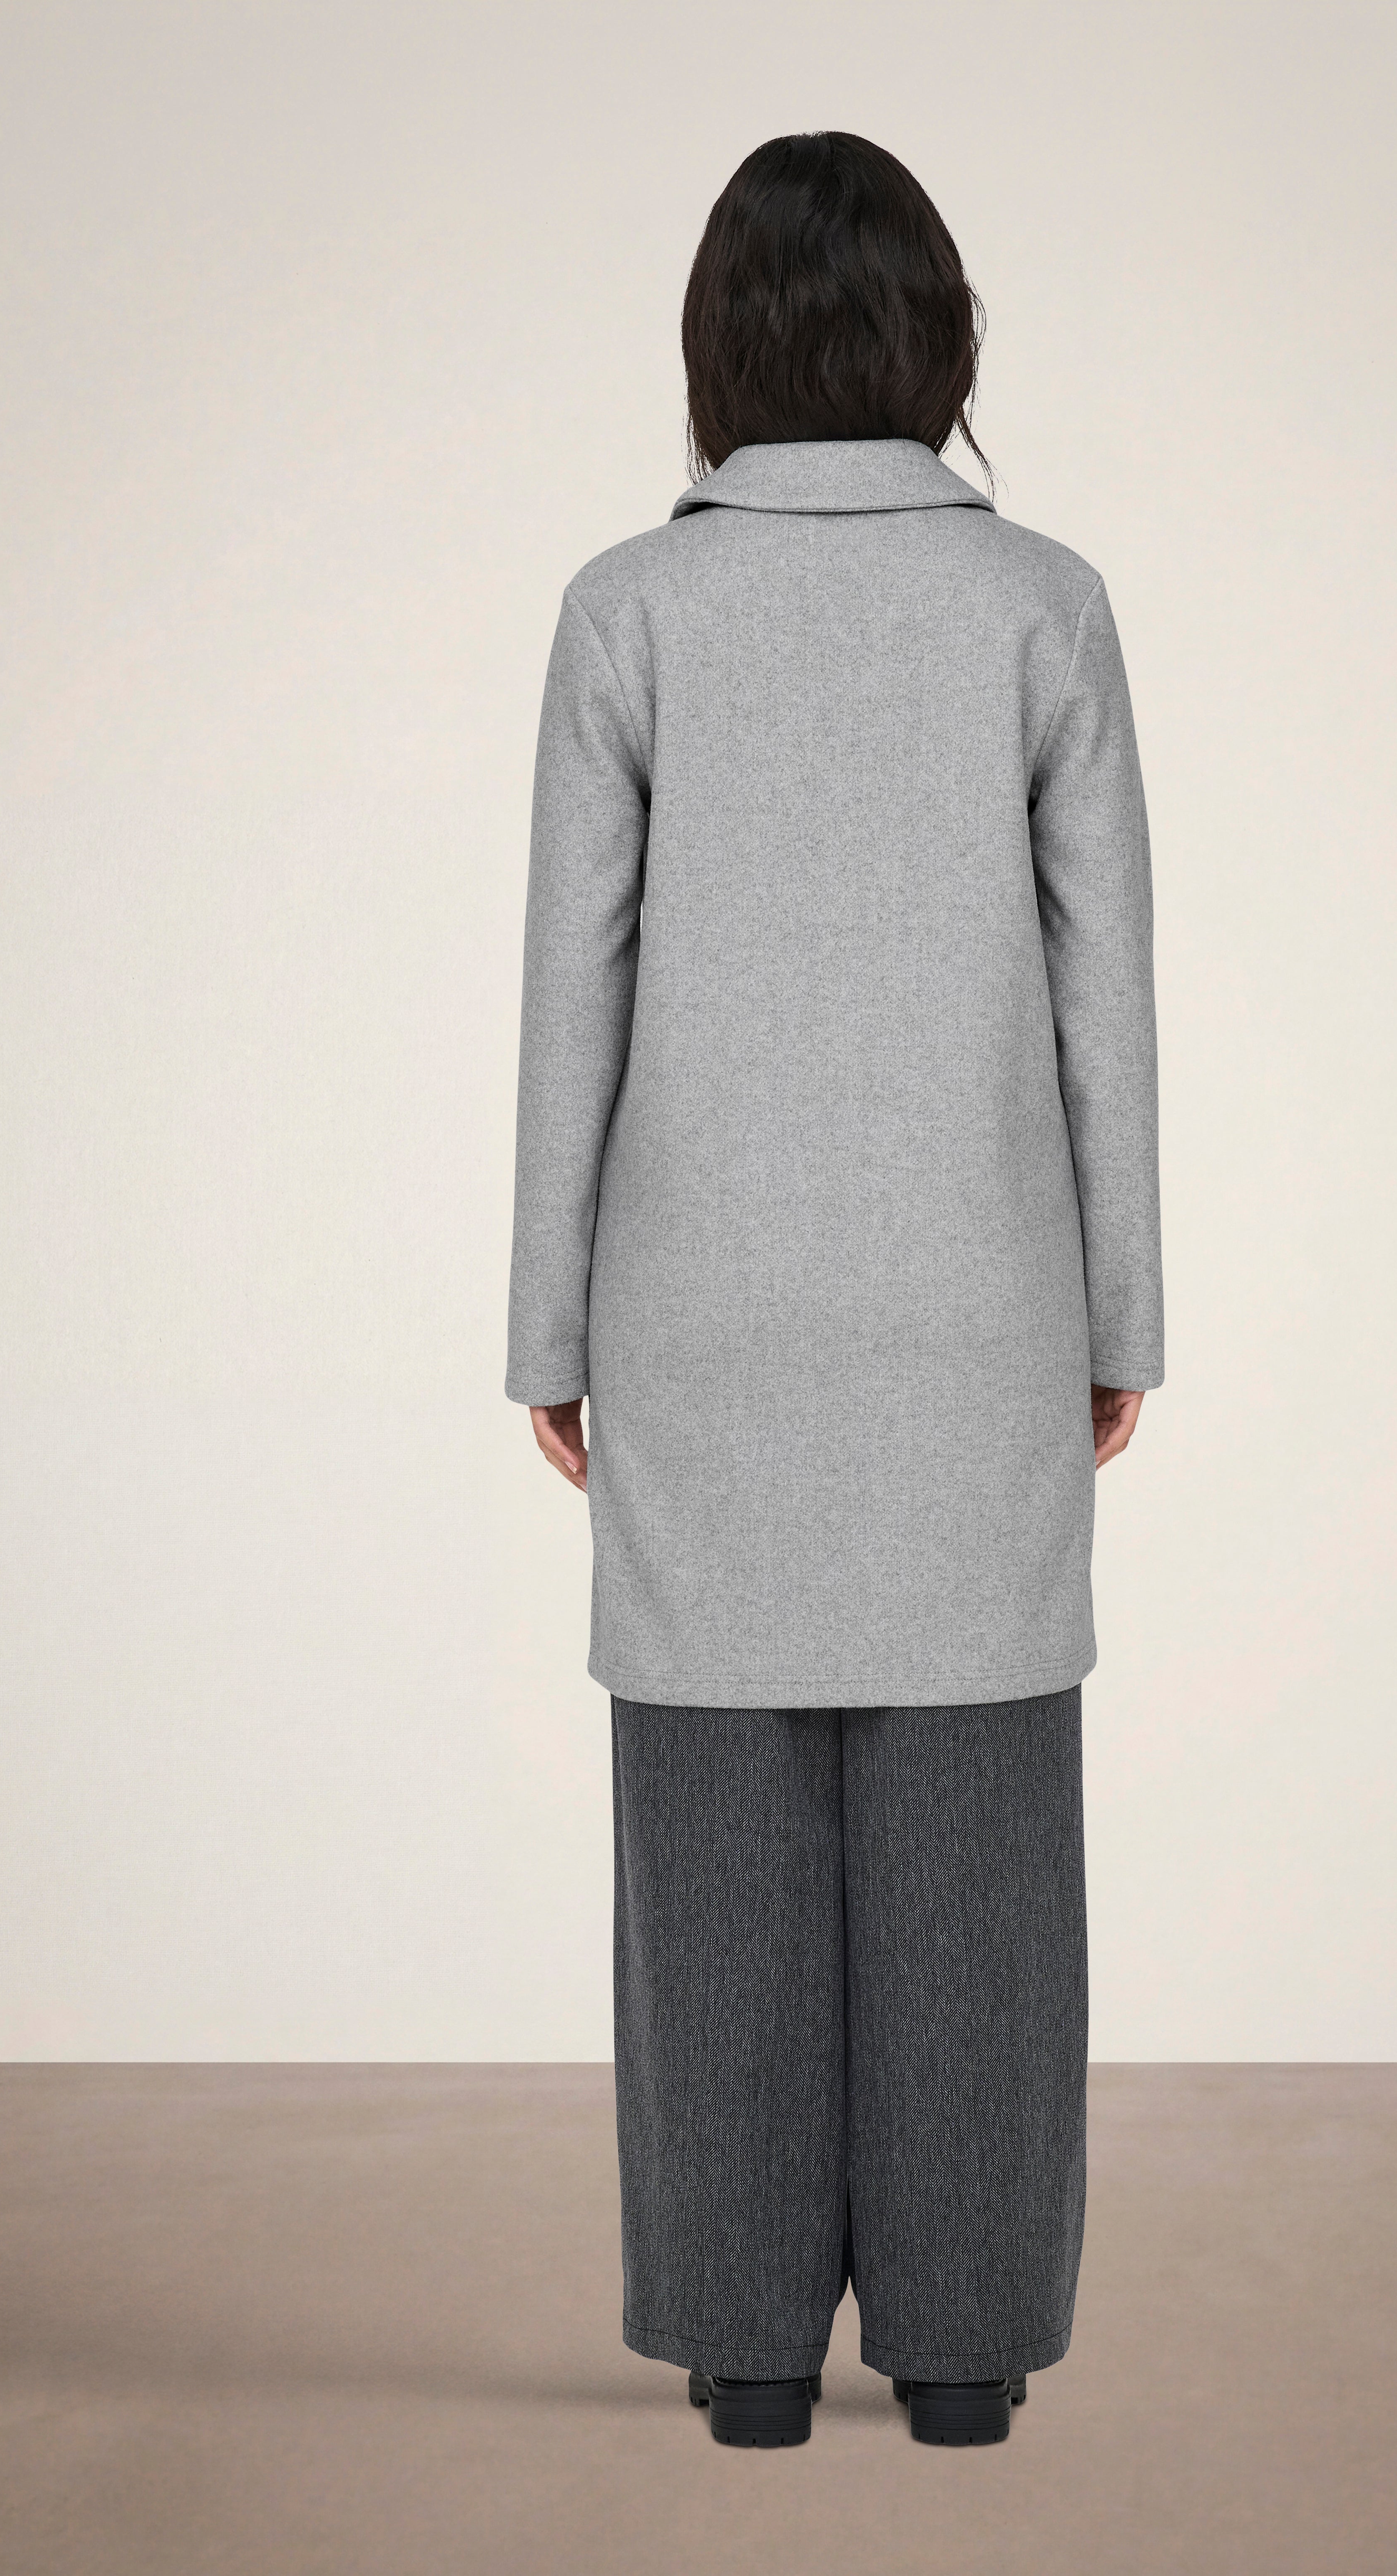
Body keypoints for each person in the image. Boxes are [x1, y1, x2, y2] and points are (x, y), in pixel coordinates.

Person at [505, 130, 1163, 2451]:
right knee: (980, 1837)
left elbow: (572, 988)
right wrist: (1122, 1317)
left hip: (700, 1312)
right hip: (980, 1304)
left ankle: (748, 2356)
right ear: (939, 343)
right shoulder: (1043, 607)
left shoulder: (629, 611)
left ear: (719, 351)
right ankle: (967, 2357)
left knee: (717, 1844)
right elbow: (1105, 996)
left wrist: (548, 1327)